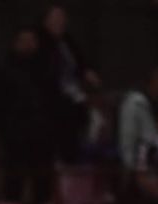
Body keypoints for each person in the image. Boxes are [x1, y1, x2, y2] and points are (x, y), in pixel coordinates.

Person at [0, 26, 57, 204]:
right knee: (14, 182)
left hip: (41, 134)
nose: (29, 45)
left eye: (32, 41)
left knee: (42, 183)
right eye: (25, 41)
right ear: (16, 43)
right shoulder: (5, 70)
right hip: (15, 133)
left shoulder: (44, 69)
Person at [37, 4, 100, 162]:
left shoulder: (67, 40)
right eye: (55, 19)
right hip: (53, 100)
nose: (59, 22)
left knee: (93, 122)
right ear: (45, 21)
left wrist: (87, 72)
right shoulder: (40, 43)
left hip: (74, 96)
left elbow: (81, 62)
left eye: (62, 18)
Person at [118, 66, 158, 170]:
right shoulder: (134, 102)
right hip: (139, 158)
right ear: (154, 81)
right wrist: (129, 166)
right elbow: (129, 137)